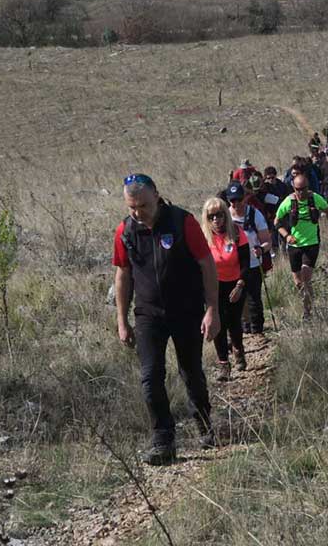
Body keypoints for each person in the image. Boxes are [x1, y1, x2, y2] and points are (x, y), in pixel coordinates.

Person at [113, 174, 220, 464]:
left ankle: (204, 423)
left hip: (186, 311)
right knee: (150, 378)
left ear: (157, 196)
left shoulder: (182, 223)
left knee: (190, 371)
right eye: (132, 207)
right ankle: (163, 440)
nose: (138, 212)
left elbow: (206, 263)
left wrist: (212, 308)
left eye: (143, 206)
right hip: (148, 315)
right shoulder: (125, 231)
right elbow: (123, 274)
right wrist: (122, 320)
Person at [275, 173, 328, 320]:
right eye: (298, 189)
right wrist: (287, 236)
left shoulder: (315, 198)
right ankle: (307, 303)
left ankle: (308, 311)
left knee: (306, 277)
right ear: (293, 188)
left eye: (303, 189)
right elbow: (277, 222)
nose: (301, 192)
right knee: (298, 282)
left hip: (312, 244)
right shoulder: (288, 202)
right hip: (294, 245)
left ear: (308, 187)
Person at [199, 197, 251, 379]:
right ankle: (223, 364)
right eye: (211, 216)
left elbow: (246, 262)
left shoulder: (236, 232)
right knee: (217, 324)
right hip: (213, 286)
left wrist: (240, 284)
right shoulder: (203, 237)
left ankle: (238, 350)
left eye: (219, 215)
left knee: (234, 322)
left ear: (225, 215)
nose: (216, 219)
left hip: (236, 284)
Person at [224, 182, 272, 339]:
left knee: (254, 298)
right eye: (232, 200)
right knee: (237, 300)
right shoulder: (224, 217)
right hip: (232, 266)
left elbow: (267, 241)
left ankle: (257, 330)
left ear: (244, 198)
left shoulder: (255, 214)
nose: (235, 203)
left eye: (238, 199)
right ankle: (244, 329)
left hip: (252, 263)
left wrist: (261, 249)